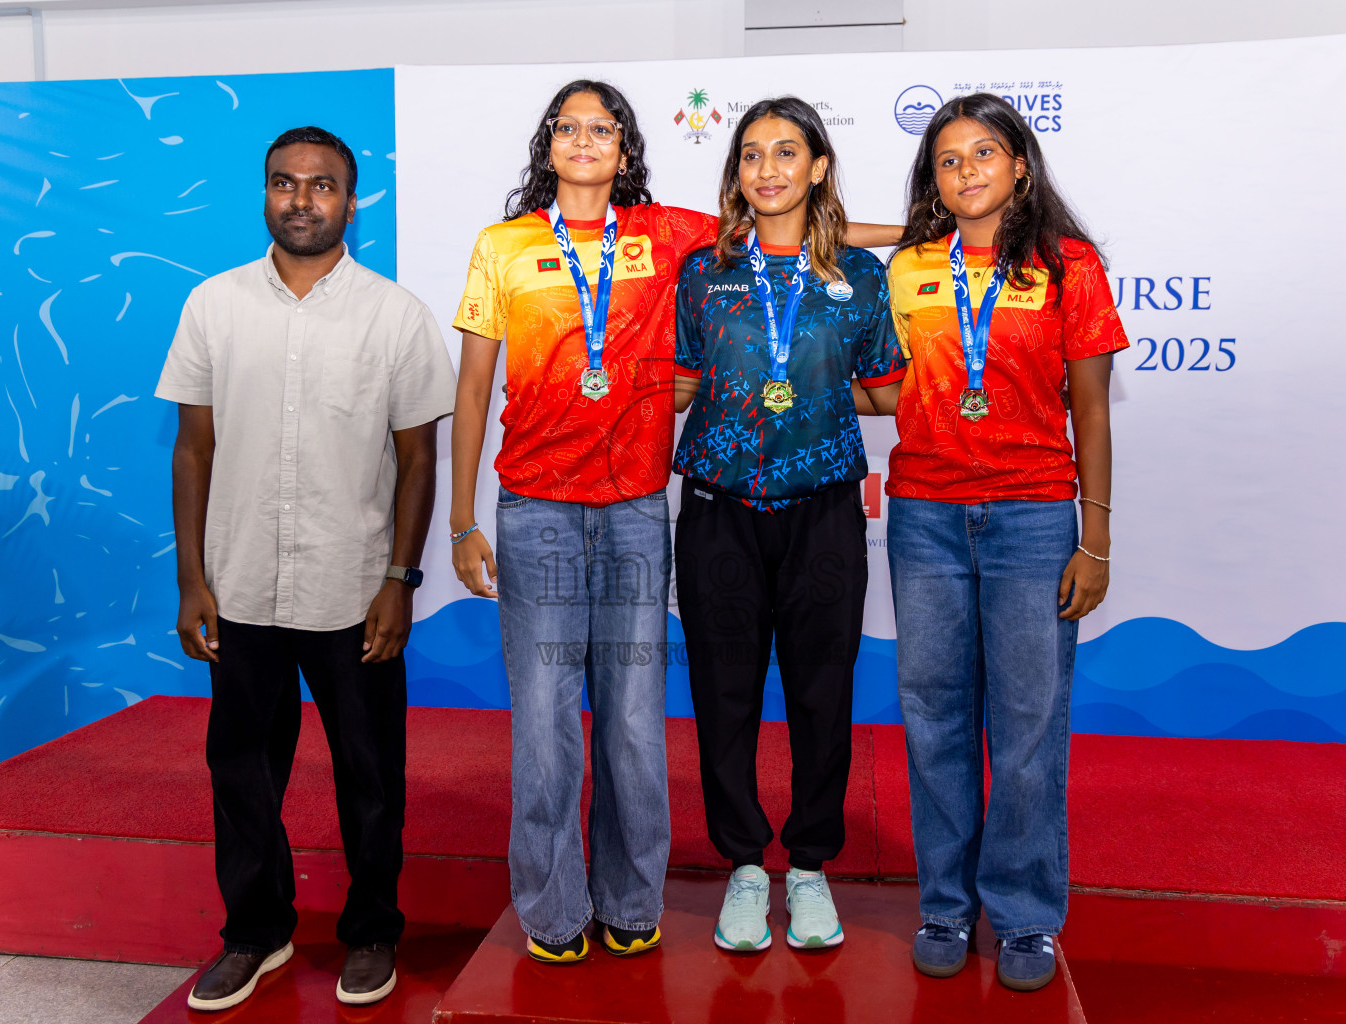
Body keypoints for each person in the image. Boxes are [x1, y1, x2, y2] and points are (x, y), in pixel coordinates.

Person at [448, 80, 898, 965]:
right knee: (544, 722)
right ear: (547, 145)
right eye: (569, 127)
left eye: (603, 128)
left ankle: (631, 895)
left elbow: (788, 226)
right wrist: (462, 519)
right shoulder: (507, 247)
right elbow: (469, 387)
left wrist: (927, 234)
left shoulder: (668, 235)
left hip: (633, 509)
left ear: (626, 148)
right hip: (541, 504)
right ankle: (555, 905)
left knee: (630, 721)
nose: (585, 141)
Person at [157, 126, 455, 1011]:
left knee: (371, 777)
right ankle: (257, 932)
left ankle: (371, 934)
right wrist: (192, 580)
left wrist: (400, 581)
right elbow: (191, 450)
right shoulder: (213, 306)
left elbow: (419, 462)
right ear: (264, 195)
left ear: (350, 200)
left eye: (321, 185)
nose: (301, 200)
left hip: (352, 592)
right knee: (241, 774)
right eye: (284, 184)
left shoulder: (395, 315)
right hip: (241, 586)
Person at [878, 92, 1126, 992]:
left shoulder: (1069, 265)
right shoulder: (906, 269)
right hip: (926, 516)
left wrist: (1093, 539)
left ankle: (1025, 915)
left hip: (1031, 518)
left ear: (1021, 163)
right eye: (948, 159)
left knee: (1027, 724)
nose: (967, 170)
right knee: (934, 715)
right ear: (933, 181)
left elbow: (1090, 407)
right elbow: (893, 387)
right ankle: (945, 901)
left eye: (985, 152)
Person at [671, 96, 905, 954]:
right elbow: (683, 382)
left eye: (784, 152)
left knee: (820, 693)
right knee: (723, 696)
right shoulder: (703, 272)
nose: (766, 169)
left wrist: (806, 391)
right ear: (735, 173)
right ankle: (741, 864)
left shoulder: (862, 278)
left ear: (817, 168)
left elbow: (883, 390)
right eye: (749, 155)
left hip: (826, 517)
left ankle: (808, 866)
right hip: (717, 512)